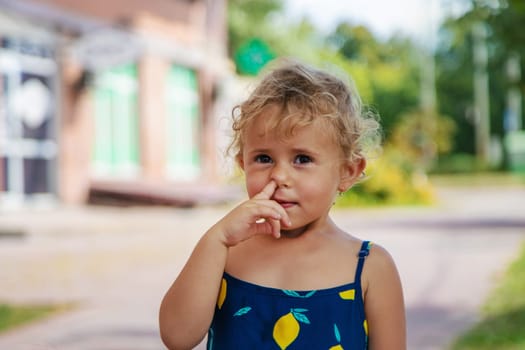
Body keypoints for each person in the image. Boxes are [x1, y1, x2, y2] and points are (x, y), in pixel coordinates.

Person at [159, 60, 406, 350]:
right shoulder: (225, 252)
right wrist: (217, 238)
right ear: (243, 164)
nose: (279, 175)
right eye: (263, 158)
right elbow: (177, 337)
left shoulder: (370, 267)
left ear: (347, 171)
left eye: (302, 159)